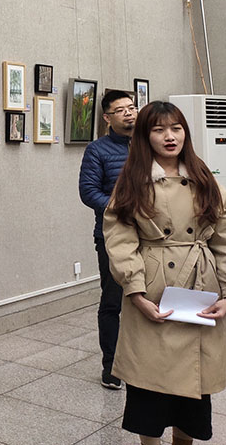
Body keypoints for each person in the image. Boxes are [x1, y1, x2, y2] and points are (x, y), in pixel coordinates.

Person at [103, 101, 226, 445]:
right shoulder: (132, 182)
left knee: (192, 393)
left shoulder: (203, 178)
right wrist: (136, 293)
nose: (170, 137)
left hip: (198, 290)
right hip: (153, 291)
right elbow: (120, 240)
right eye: (159, 130)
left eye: (176, 128)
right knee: (149, 392)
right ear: (145, 136)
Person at [78, 90, 138, 389]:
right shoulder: (97, 150)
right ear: (107, 117)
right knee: (113, 301)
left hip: (153, 237)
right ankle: (111, 366)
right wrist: (121, 209)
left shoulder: (149, 144)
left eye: (132, 107)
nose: (129, 113)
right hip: (113, 236)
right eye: (121, 110)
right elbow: (89, 192)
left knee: (149, 298)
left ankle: (145, 360)